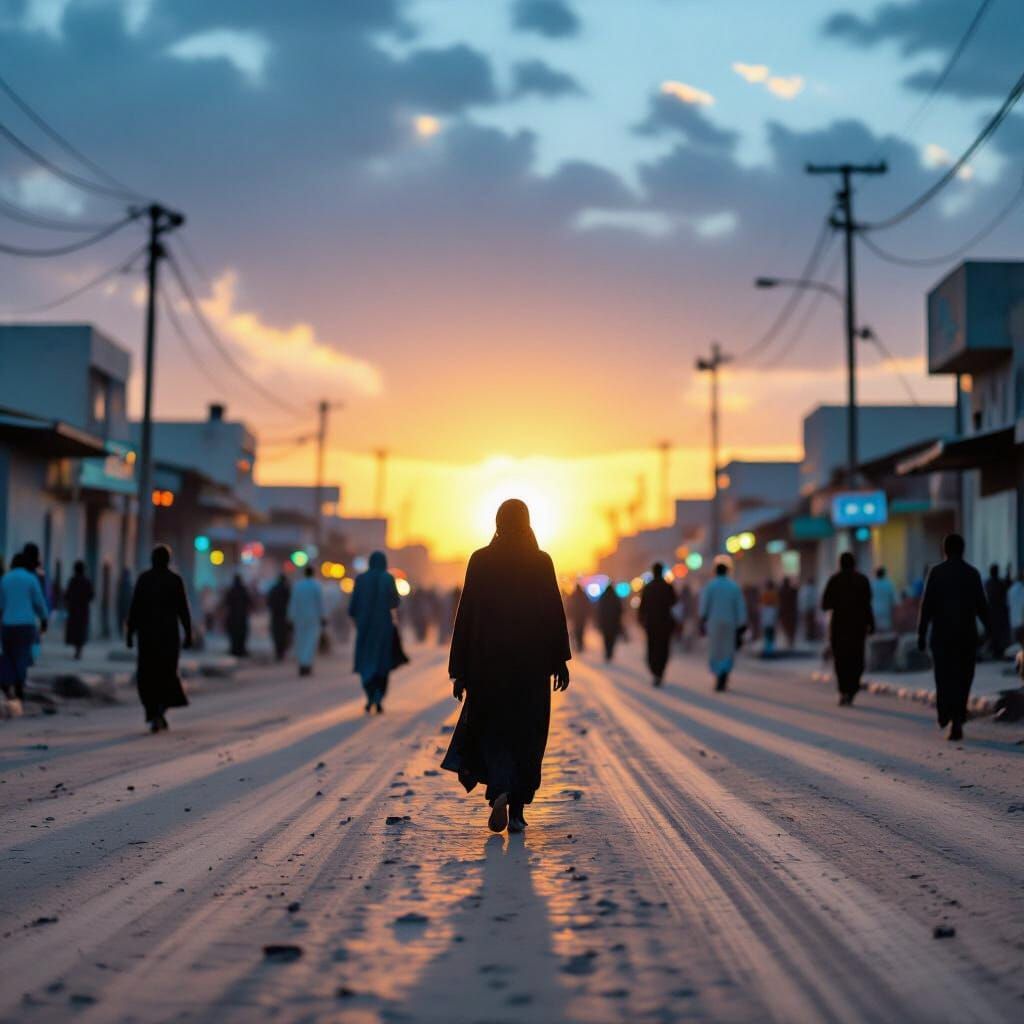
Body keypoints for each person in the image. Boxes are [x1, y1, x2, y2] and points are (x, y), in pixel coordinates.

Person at [442, 499, 570, 834]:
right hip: (531, 668)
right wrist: (560, 660)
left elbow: (467, 615)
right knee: (527, 735)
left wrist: (460, 671)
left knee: (494, 731)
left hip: (488, 667)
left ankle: (499, 787)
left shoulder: (481, 560)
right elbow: (553, 613)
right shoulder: (540, 561)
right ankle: (517, 810)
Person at [917, 534, 990, 742]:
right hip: (966, 637)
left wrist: (921, 634)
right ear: (963, 550)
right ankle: (957, 717)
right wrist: (991, 632)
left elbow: (926, 606)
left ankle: (945, 714)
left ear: (945, 550)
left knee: (944, 677)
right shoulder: (972, 573)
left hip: (941, 637)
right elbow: (982, 607)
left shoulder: (936, 573)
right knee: (963, 678)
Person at [126, 546, 192, 733]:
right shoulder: (174, 580)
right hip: (168, 637)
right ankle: (158, 711)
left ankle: (154, 712)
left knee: (148, 675)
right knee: (166, 674)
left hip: (148, 637)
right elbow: (183, 610)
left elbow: (134, 609)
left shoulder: (144, 579)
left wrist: (130, 633)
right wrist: (188, 634)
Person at [348, 551, 402, 712]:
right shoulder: (388, 578)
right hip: (383, 627)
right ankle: (378, 697)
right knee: (382, 662)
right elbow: (395, 602)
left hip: (365, 627)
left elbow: (352, 607)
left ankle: (370, 695)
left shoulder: (360, 579)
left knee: (366, 661)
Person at [821, 552, 875, 706]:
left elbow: (825, 604)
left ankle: (844, 690)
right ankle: (852, 689)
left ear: (840, 564)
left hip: (839, 627)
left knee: (841, 659)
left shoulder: (834, 580)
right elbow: (867, 604)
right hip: (858, 627)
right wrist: (871, 624)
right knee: (856, 658)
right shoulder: (862, 580)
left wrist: (839, 603)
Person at [0, 553, 49, 700]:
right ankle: (19, 687)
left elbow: (1, 604)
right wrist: (44, 619)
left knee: (8, 655)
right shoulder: (30, 579)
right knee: (22, 655)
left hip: (8, 624)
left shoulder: (5, 579)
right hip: (26, 625)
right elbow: (39, 601)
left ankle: (7, 684)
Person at [699, 558, 747, 691]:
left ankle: (718, 674)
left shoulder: (710, 586)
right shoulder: (733, 586)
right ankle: (724, 674)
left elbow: (704, 606)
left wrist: (702, 620)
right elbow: (740, 606)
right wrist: (742, 623)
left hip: (714, 623)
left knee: (716, 650)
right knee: (727, 649)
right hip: (730, 623)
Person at [638, 562, 677, 686]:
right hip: (665, 623)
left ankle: (655, 670)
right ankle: (660, 671)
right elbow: (674, 601)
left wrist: (641, 619)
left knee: (652, 647)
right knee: (663, 649)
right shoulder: (668, 586)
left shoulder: (648, 587)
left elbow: (642, 607)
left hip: (651, 624)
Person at [288, 566, 324, 677]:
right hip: (312, 617)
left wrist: (290, 617)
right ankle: (306, 664)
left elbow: (293, 602)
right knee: (310, 641)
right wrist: (323, 616)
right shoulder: (316, 586)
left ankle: (302, 663)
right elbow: (320, 603)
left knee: (300, 641)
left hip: (299, 618)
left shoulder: (297, 586)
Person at [64, 560, 94, 660]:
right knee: (81, 631)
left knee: (75, 631)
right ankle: (78, 650)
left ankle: (77, 651)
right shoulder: (86, 581)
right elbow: (91, 595)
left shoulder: (73, 581)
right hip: (83, 611)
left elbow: (67, 595)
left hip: (74, 610)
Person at [984, 563, 1010, 659]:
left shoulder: (988, 583)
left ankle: (996, 651)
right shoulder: (999, 583)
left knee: (994, 633)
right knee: (999, 633)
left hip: (992, 611)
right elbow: (1007, 585)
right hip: (999, 611)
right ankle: (998, 651)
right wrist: (1008, 572)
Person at [223, 574, 251, 657]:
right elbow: (249, 602)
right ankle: (241, 650)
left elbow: (226, 603)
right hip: (242, 617)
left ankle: (235, 649)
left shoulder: (231, 591)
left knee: (234, 635)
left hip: (233, 617)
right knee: (241, 635)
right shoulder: (244, 590)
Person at [266, 573, 291, 661]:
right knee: (283, 634)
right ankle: (281, 652)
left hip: (275, 615)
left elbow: (269, 602)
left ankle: (278, 651)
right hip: (284, 616)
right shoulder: (286, 589)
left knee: (276, 633)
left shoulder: (273, 589)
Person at [596, 582, 623, 662]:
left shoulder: (603, 597)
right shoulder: (615, 597)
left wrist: (599, 621)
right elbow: (620, 609)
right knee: (612, 639)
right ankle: (610, 652)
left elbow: (599, 610)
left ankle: (607, 652)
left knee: (606, 638)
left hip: (605, 623)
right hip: (614, 623)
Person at [871, 566, 897, 633]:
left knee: (876, 633)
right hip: (886, 613)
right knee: (886, 633)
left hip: (874, 612)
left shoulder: (872, 584)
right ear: (884, 574)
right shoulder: (889, 584)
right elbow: (894, 600)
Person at [567, 583, 589, 652]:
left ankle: (579, 644)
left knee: (577, 631)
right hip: (582, 617)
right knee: (581, 631)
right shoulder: (583, 595)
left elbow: (570, 606)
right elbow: (587, 606)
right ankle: (580, 644)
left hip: (576, 617)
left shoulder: (573, 595)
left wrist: (570, 615)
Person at [759, 580, 779, 656]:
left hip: (769, 614)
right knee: (769, 633)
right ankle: (769, 649)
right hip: (768, 614)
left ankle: (769, 649)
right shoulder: (769, 594)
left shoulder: (769, 594)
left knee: (769, 633)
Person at [778, 577, 798, 649]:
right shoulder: (785, 591)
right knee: (788, 628)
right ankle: (789, 641)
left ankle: (790, 641)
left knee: (789, 628)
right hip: (788, 612)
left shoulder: (785, 591)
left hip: (788, 612)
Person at [798, 577, 818, 642]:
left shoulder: (804, 589)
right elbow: (814, 600)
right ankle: (809, 636)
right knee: (809, 623)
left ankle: (808, 636)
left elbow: (801, 599)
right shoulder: (811, 589)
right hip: (809, 609)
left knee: (808, 623)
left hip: (807, 609)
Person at [1008, 569, 1024, 649]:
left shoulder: (1010, 590)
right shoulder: (1022, 589)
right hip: (1022, 622)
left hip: (1013, 621)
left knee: (1015, 646)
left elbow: (1008, 604)